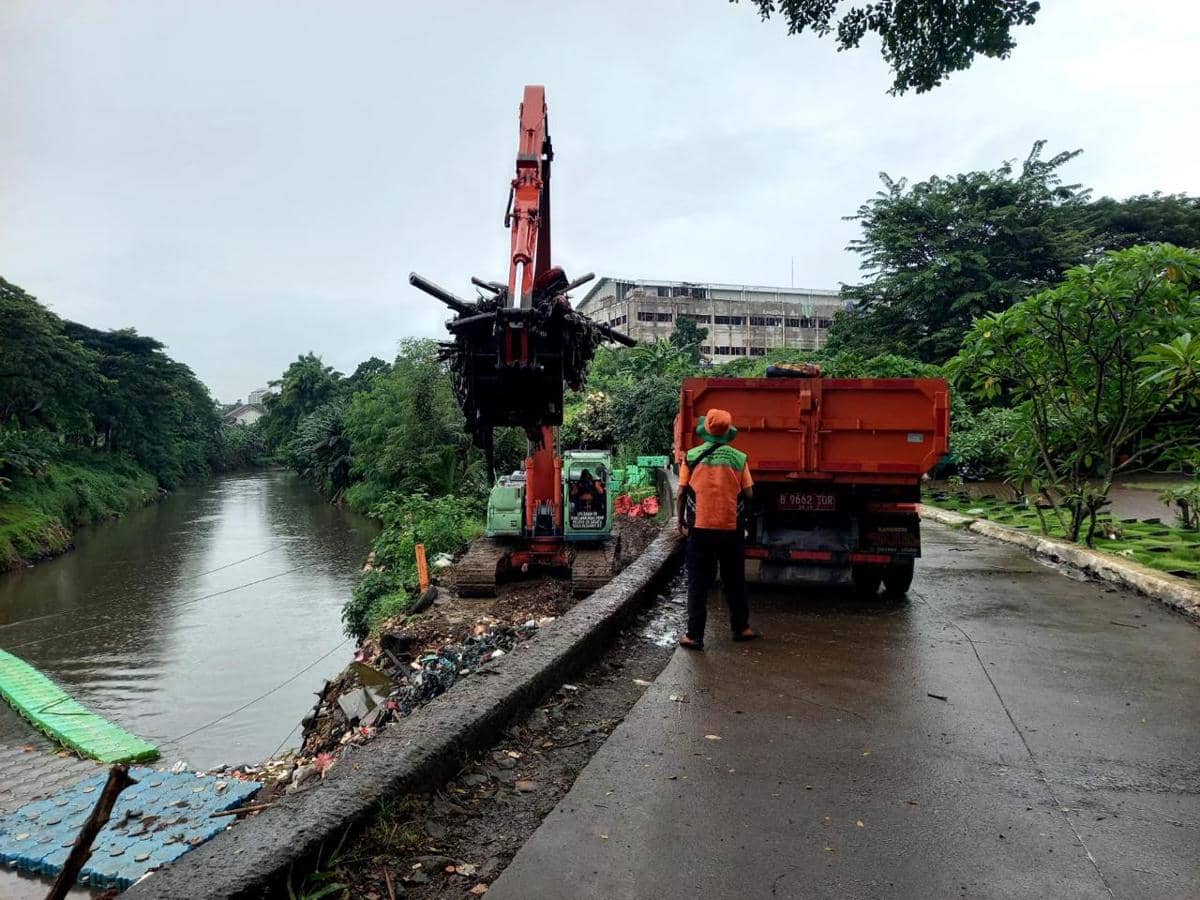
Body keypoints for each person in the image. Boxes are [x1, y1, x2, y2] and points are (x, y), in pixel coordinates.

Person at [677, 408, 759, 650]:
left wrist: (680, 521)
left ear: (707, 430)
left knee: (698, 581)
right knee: (734, 579)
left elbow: (681, 492)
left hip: (699, 528)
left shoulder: (691, 456)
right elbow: (749, 493)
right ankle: (741, 628)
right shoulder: (739, 458)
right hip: (730, 528)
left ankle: (694, 635)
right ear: (727, 432)